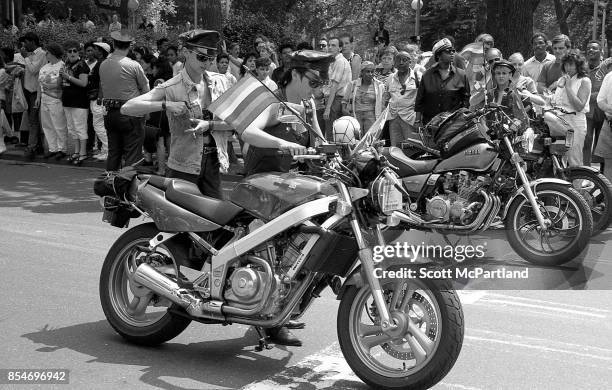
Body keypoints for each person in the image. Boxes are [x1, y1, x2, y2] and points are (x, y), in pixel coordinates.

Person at [99, 30, 150, 171]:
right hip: (130, 114)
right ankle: (128, 188)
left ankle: (110, 185)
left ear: (114, 44)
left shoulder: (103, 65)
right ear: (130, 46)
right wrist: (147, 111)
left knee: (114, 153)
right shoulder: (133, 65)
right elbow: (146, 88)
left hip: (110, 113)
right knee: (132, 155)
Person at [415, 38, 470, 127]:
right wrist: (417, 121)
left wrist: (462, 118)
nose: (452, 53)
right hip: (430, 124)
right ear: (438, 55)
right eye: (448, 51)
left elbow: (466, 99)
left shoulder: (461, 74)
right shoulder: (427, 75)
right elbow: (420, 100)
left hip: (453, 124)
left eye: (453, 50)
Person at [552, 50, 591, 167]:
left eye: (571, 64)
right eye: (566, 64)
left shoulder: (584, 81)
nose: (568, 67)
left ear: (578, 65)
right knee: (560, 157)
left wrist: (568, 88)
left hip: (574, 122)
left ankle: (577, 185)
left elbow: (579, 106)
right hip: (559, 122)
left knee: (574, 157)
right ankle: (562, 184)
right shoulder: (562, 79)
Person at [61, 40, 90, 165]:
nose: (72, 53)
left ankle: (83, 153)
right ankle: (76, 151)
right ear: (66, 53)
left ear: (79, 52)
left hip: (79, 101)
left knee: (80, 127)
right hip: (67, 100)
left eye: (75, 51)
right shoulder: (66, 65)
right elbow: (61, 83)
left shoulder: (82, 65)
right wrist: (60, 76)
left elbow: (83, 83)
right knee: (72, 128)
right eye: (69, 51)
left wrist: (68, 77)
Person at [36, 43, 67, 160]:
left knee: (59, 125)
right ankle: (52, 148)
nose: (45, 54)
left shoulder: (62, 66)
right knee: (47, 125)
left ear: (53, 53)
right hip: (44, 100)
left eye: (47, 52)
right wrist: (38, 98)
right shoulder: (44, 68)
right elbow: (39, 84)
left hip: (56, 100)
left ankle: (62, 149)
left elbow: (62, 84)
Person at [584, 40, 612, 166]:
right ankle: (585, 170)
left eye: (594, 48)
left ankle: (600, 175)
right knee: (586, 141)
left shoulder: (606, 68)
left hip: (603, 113)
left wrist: (588, 95)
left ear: (601, 51)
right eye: (588, 48)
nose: (590, 50)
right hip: (587, 112)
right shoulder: (582, 68)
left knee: (601, 147)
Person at [384, 51, 420, 146]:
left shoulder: (417, 77)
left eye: (404, 60)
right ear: (394, 63)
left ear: (410, 62)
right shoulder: (390, 78)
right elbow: (386, 98)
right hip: (394, 118)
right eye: (398, 60)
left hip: (410, 119)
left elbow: (422, 100)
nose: (401, 63)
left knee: (412, 147)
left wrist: (418, 120)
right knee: (395, 147)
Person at [21, 32, 46, 160]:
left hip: (36, 91)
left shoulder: (41, 54)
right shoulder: (30, 55)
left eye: (26, 42)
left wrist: (25, 58)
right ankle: (38, 146)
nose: (24, 45)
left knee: (33, 120)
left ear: (32, 41)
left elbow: (34, 70)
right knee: (32, 119)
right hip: (28, 90)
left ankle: (32, 147)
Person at [342, 61, 384, 132]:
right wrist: (344, 109)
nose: (370, 74)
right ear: (362, 72)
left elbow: (382, 103)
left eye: (372, 71)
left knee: (369, 139)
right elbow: (345, 100)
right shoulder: (353, 84)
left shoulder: (379, 85)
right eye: (367, 71)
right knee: (357, 138)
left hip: (372, 116)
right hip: (356, 115)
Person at [86, 41, 110, 161]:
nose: (93, 51)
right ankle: (105, 150)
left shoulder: (101, 63)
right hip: (97, 98)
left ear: (100, 51)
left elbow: (102, 82)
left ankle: (108, 150)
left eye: (95, 49)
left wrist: (100, 97)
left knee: (98, 126)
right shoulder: (102, 63)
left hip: (98, 99)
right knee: (100, 126)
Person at [324, 37, 351, 140]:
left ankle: (335, 155)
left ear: (340, 48)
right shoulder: (333, 61)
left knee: (333, 135)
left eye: (333, 45)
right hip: (334, 100)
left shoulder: (340, 61)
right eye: (329, 45)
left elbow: (334, 87)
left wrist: (328, 108)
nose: (330, 47)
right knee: (333, 134)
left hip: (336, 101)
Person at [594, 70, 612, 180]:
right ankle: (609, 196)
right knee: (609, 162)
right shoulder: (609, 76)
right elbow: (600, 100)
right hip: (609, 123)